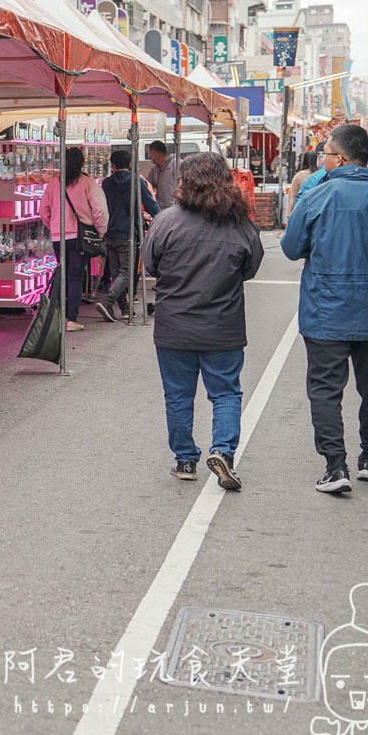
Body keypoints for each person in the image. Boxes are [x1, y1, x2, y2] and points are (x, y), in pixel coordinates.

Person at [281, 124, 368, 495]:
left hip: (325, 312)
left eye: (325, 153)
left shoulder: (316, 198)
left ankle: (335, 466)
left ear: (339, 158)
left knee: (326, 390)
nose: (322, 158)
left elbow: (292, 248)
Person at [141, 154, 264, 488]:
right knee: (225, 393)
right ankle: (223, 451)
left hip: (174, 326)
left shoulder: (166, 221)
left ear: (185, 182)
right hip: (222, 326)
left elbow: (151, 265)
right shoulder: (241, 224)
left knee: (178, 395)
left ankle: (184, 460)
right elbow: (250, 269)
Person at [39, 147, 109, 332]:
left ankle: (58, 316)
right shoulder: (88, 183)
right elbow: (100, 210)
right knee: (75, 276)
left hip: (58, 237)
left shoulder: (54, 183)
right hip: (79, 237)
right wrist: (99, 232)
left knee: (63, 274)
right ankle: (70, 319)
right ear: (82, 163)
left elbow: (43, 211)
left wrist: (54, 226)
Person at [95, 148, 159, 322]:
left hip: (109, 232)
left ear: (113, 165)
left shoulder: (106, 183)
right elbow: (151, 205)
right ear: (130, 164)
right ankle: (108, 301)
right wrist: (161, 218)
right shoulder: (136, 181)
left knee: (117, 273)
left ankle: (125, 309)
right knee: (127, 272)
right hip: (128, 233)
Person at [142, 140, 178, 209]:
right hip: (161, 209)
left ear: (154, 153)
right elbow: (147, 185)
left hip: (175, 208)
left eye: (149, 154)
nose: (149, 157)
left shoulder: (176, 165)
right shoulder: (154, 170)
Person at [287, 150, 318, 219]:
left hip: (301, 209)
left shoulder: (299, 175)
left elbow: (292, 195)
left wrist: (289, 212)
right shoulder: (321, 174)